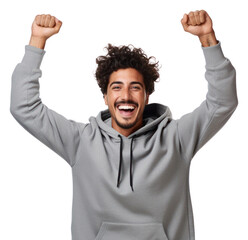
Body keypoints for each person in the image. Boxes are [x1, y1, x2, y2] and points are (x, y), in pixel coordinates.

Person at [10, 10, 238, 240]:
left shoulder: (177, 139)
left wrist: (207, 38)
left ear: (147, 96)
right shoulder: (80, 142)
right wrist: (37, 41)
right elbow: (25, 107)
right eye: (116, 87)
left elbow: (222, 102)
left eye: (135, 87)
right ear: (106, 97)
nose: (126, 96)